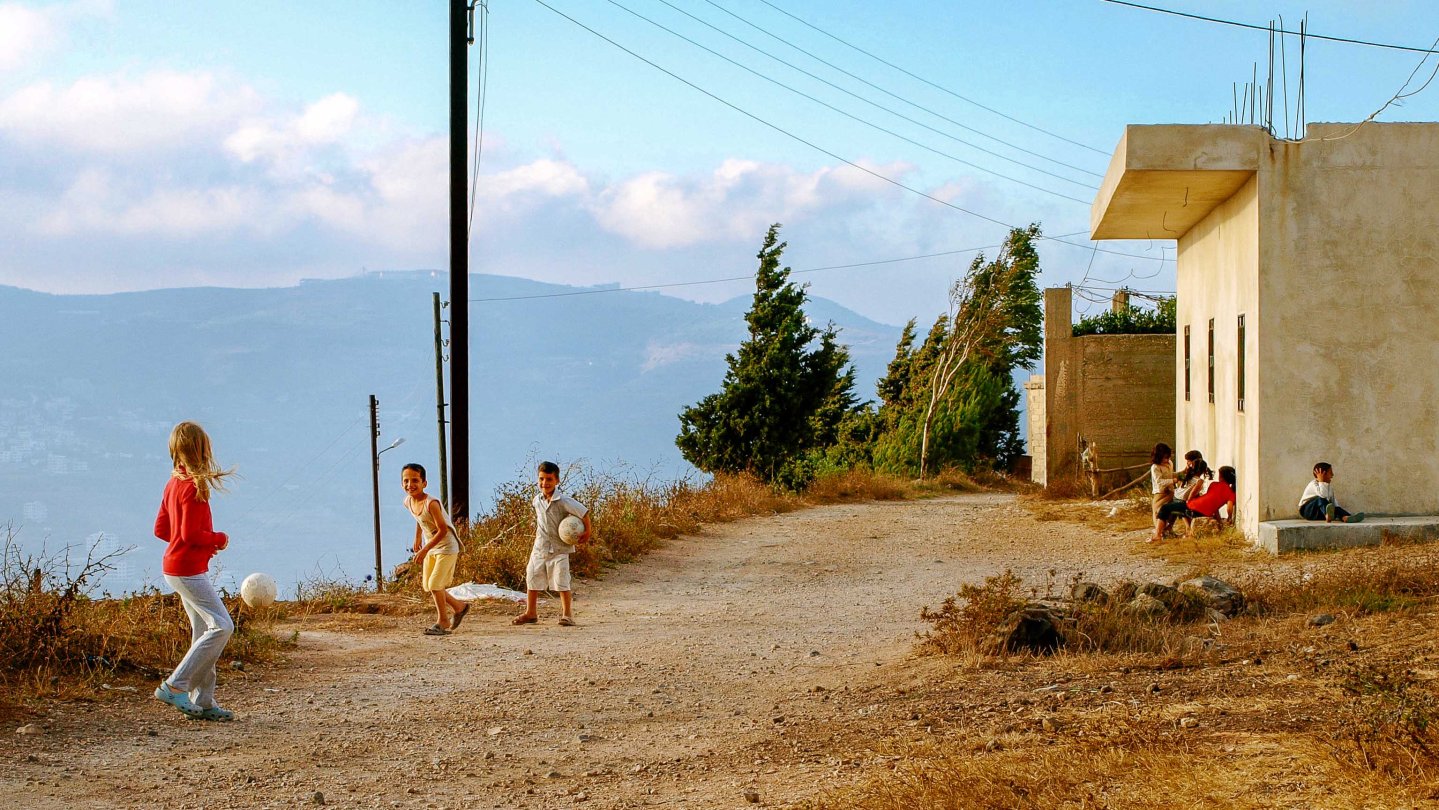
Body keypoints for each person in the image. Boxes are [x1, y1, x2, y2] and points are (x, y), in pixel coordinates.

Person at [152, 421, 236, 721]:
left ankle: (203, 701)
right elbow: (188, 534)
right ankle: (175, 686)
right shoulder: (192, 487)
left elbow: (162, 529)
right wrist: (217, 539)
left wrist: (193, 544)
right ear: (202, 450)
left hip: (175, 567)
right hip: (187, 570)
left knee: (203, 631)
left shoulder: (173, 483)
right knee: (223, 626)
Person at [512, 461, 591, 627]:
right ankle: (531, 613)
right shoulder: (536, 500)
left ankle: (567, 614)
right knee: (532, 576)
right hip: (540, 547)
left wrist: (587, 532)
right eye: (541, 479)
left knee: (562, 581)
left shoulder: (563, 501)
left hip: (559, 548)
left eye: (549, 479)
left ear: (557, 481)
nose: (544, 483)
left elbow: (584, 512)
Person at [403, 463, 469, 636]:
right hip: (431, 546)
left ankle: (443, 621)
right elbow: (419, 519)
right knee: (429, 586)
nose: (410, 485)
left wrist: (424, 550)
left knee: (435, 584)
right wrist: (417, 537)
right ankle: (459, 607)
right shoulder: (408, 501)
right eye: (406, 481)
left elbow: (443, 530)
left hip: (446, 546)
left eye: (415, 480)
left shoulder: (431, 503)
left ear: (424, 483)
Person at [1151, 457, 1212, 542]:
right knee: (1165, 509)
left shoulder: (1195, 479)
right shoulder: (1194, 478)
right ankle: (1164, 531)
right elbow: (1190, 492)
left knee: (1165, 508)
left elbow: (1190, 493)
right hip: (1178, 499)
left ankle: (1158, 534)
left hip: (1179, 500)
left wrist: (1188, 502)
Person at [1179, 465, 1238, 536]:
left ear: (1221, 477)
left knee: (1179, 510)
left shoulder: (1214, 484)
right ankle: (1190, 531)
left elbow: (1214, 505)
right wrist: (1229, 518)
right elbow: (1228, 507)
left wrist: (1220, 520)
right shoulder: (1230, 492)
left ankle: (1188, 530)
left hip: (1194, 505)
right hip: (1201, 510)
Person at [1299, 462, 1365, 523]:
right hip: (1307, 511)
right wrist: (1321, 481)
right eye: (1330, 472)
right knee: (1320, 499)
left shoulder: (1329, 487)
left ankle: (1346, 517)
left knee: (1335, 507)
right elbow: (1323, 495)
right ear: (1323, 474)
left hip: (1319, 513)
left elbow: (1333, 503)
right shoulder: (1313, 484)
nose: (1332, 475)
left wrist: (1339, 511)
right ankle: (1327, 515)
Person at [1149, 443, 1177, 520]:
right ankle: (1159, 531)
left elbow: (1171, 475)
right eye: (1165, 458)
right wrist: (1173, 481)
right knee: (1158, 512)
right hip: (1160, 492)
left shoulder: (1170, 463)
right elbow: (1159, 481)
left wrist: (1183, 472)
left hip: (1170, 491)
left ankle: (1168, 529)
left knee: (1172, 512)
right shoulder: (1155, 467)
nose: (1167, 459)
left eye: (1168, 457)